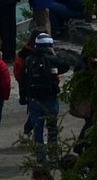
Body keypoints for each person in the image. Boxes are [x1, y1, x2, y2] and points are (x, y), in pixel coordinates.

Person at [19, 33, 72, 162]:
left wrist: (23, 97)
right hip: (50, 98)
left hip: (34, 99)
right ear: (49, 45)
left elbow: (23, 80)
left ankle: (40, 157)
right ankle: (53, 155)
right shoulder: (51, 59)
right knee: (52, 129)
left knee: (38, 130)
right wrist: (54, 54)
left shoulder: (29, 60)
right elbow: (65, 65)